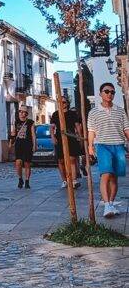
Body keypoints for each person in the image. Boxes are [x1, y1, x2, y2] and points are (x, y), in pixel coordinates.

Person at [87, 83, 129, 219]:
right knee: (106, 174)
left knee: (114, 177)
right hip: (102, 145)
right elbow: (91, 131)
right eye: (106, 91)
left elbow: (126, 129)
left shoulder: (120, 110)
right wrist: (90, 146)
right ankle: (106, 206)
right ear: (100, 94)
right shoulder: (93, 112)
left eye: (112, 92)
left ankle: (111, 203)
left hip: (118, 145)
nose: (109, 94)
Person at [50, 98, 83, 189]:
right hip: (59, 138)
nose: (62, 103)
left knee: (72, 159)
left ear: (67, 103)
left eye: (64, 102)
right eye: (60, 102)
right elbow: (52, 127)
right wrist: (53, 137)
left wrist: (80, 137)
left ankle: (74, 180)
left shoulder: (72, 114)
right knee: (61, 161)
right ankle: (64, 180)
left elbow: (77, 126)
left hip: (71, 137)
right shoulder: (55, 114)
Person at [10, 104, 35, 189]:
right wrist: (11, 141)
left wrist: (34, 145)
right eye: (20, 111)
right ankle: (20, 179)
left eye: (23, 112)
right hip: (18, 144)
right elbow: (13, 132)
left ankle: (27, 181)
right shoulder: (16, 121)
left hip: (27, 144)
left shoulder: (30, 122)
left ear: (26, 114)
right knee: (18, 163)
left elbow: (33, 135)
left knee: (27, 163)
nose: (21, 113)